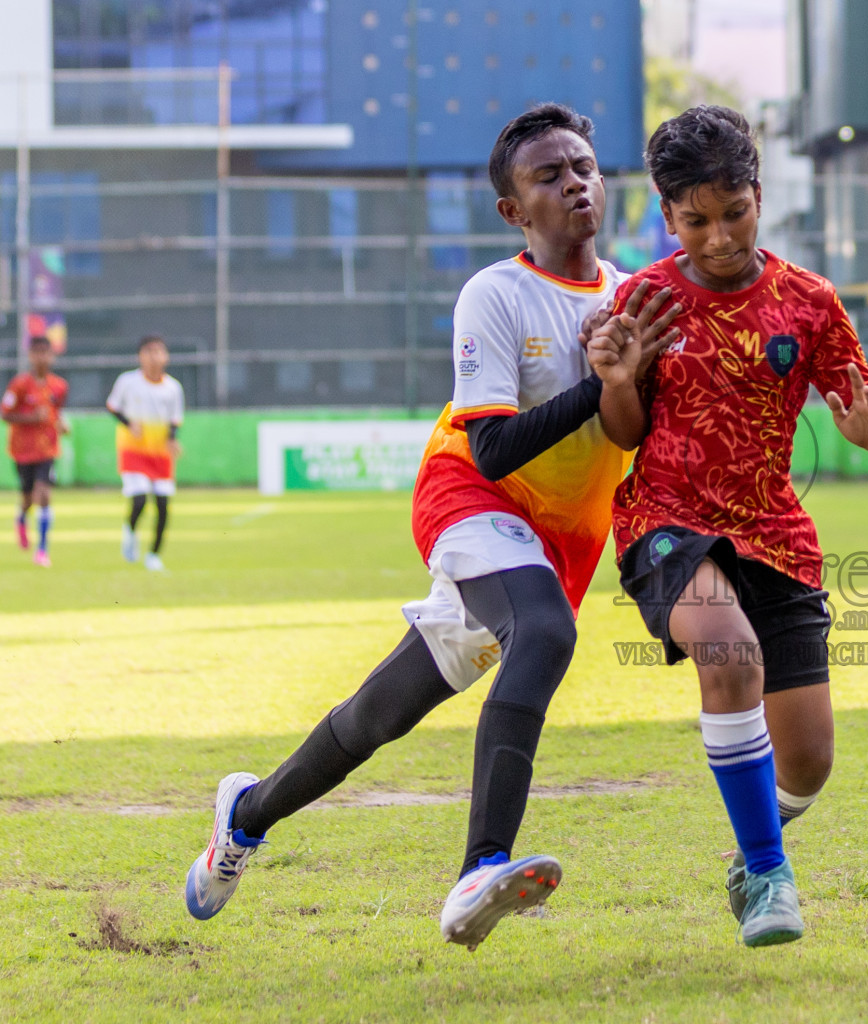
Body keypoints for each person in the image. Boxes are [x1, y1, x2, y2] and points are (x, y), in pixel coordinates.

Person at [182, 103, 680, 953]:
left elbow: (629, 434)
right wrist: (596, 386)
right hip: (470, 495)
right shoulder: (496, 293)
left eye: (585, 168)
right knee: (548, 632)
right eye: (549, 175)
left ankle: (247, 813)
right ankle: (482, 867)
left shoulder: (637, 297)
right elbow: (489, 447)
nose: (575, 183)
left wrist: (625, 382)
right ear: (513, 211)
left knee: (379, 716)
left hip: (560, 538)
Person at [588, 105, 868, 948]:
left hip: (774, 530)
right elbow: (624, 433)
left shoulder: (809, 300)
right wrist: (619, 380)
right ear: (668, 217)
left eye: (735, 213)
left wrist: (866, 433)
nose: (721, 236)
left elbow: (859, 406)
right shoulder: (645, 298)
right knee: (729, 658)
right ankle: (773, 881)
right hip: (665, 520)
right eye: (697, 220)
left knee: (808, 763)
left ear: (758, 197)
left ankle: (753, 849)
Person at [106, 335, 185, 572]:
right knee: (139, 498)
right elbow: (112, 406)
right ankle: (130, 532)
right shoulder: (128, 382)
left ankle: (154, 555)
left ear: (166, 356)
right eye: (149, 351)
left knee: (162, 505)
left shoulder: (173, 388)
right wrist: (128, 422)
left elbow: (175, 419)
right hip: (134, 451)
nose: (154, 356)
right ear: (140, 356)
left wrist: (172, 440)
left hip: (160, 454)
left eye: (159, 351)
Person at [2, 336, 69, 568]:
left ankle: (42, 549)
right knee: (28, 498)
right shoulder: (19, 385)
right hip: (22, 451)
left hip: (47, 450)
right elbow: (5, 414)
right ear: (30, 356)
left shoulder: (59, 386)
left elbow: (56, 411)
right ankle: (20, 518)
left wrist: (61, 423)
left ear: (52, 355)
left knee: (44, 495)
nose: (41, 357)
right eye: (37, 352)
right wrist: (31, 418)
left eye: (46, 352)